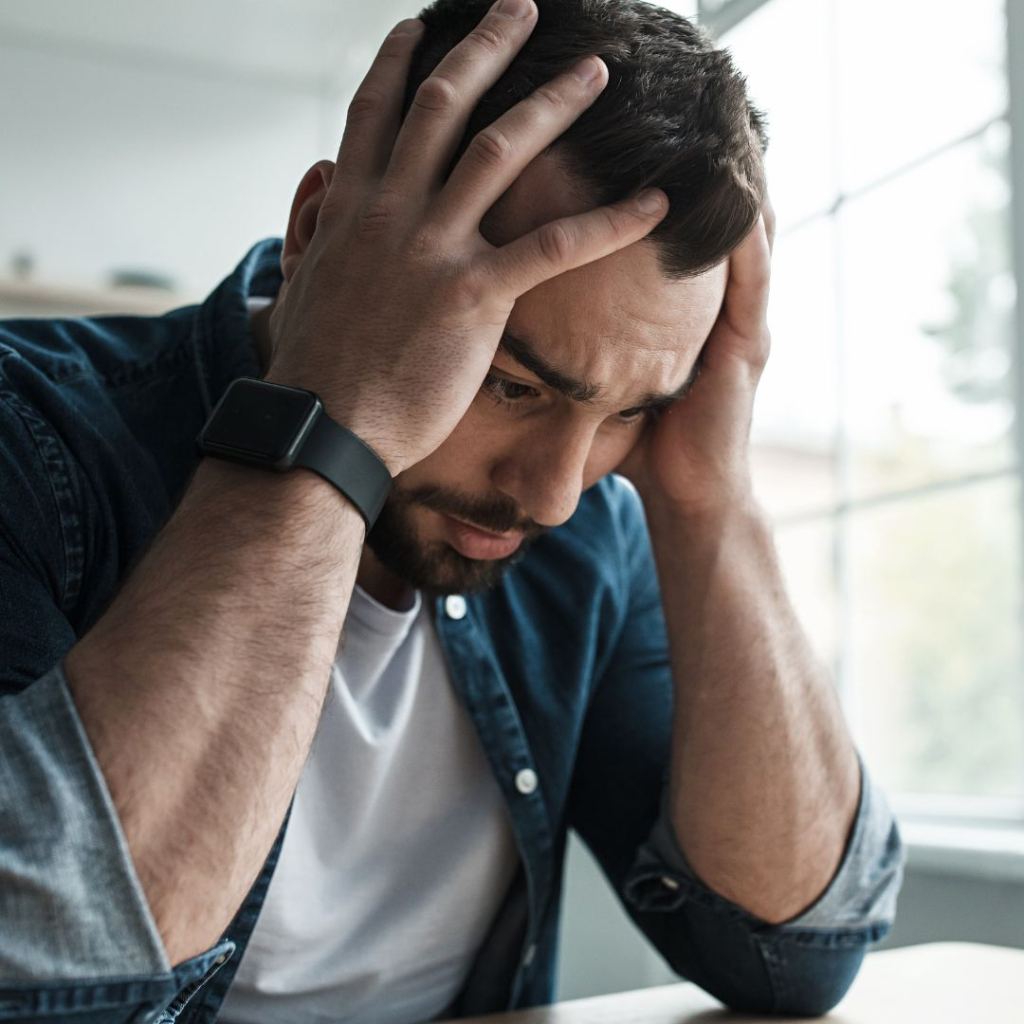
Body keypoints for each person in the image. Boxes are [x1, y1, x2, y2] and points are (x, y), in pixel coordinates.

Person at [0, 1, 904, 1022]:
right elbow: (44, 968)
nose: (555, 493)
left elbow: (789, 949)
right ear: (316, 236)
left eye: (629, 413)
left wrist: (711, 500)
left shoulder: (595, 531)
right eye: (513, 382)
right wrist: (334, 415)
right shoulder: (31, 438)